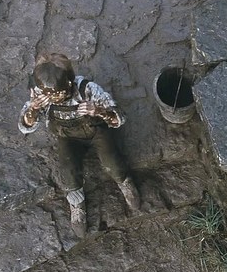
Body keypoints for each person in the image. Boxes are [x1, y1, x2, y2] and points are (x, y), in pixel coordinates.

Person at [19, 53, 140, 237]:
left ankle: (124, 181)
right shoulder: (41, 93)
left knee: (112, 161)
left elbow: (119, 119)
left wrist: (99, 111)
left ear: (69, 83)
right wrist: (33, 110)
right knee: (67, 169)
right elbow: (26, 126)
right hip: (66, 136)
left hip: (95, 131)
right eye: (49, 95)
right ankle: (76, 202)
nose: (54, 99)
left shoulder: (87, 89)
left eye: (59, 94)